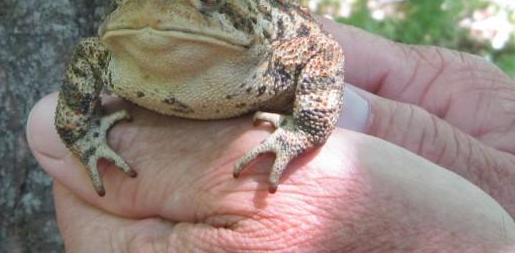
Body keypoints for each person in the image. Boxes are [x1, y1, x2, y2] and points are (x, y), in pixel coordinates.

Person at [27, 19, 515, 251]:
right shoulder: (109, 56)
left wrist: (305, 127)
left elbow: (323, 54)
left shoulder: (268, 54)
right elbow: (86, 62)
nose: (160, 9)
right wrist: (82, 136)